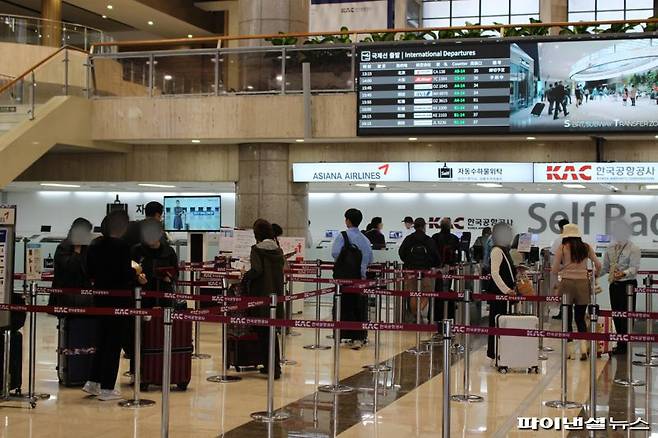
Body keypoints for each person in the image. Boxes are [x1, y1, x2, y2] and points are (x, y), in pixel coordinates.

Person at [83, 210, 135, 401]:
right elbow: (124, 272)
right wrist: (135, 274)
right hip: (118, 298)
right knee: (114, 343)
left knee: (101, 340)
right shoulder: (121, 246)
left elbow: (89, 270)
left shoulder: (95, 243)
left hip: (100, 297)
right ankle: (107, 387)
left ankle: (93, 381)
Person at [241, 219, 285, 379]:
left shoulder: (257, 250)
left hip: (261, 297)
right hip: (275, 296)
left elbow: (257, 270)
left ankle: (271, 367)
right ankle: (273, 366)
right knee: (272, 333)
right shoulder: (278, 250)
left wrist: (245, 277)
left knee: (263, 333)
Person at [551, 224, 601, 361]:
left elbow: (554, 269)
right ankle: (584, 348)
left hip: (566, 283)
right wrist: (595, 276)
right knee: (580, 317)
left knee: (566, 317)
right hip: (583, 284)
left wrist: (557, 283)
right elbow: (598, 265)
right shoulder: (586, 247)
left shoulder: (562, 247)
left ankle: (570, 351)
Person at [331, 208, 373, 348]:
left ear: (348, 220)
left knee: (343, 306)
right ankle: (359, 337)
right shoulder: (365, 239)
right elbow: (370, 259)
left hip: (344, 278)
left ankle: (343, 334)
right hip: (360, 278)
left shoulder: (342, 236)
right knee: (358, 307)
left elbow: (335, 253)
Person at [599, 220, 641, 355]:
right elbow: (605, 267)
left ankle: (626, 343)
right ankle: (620, 342)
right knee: (616, 313)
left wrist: (623, 273)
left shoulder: (633, 248)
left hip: (628, 285)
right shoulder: (610, 248)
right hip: (614, 284)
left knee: (627, 315)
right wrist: (594, 274)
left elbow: (634, 268)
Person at [130, 218, 179, 308]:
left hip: (164, 296)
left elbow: (176, 272)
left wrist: (170, 278)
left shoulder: (169, 251)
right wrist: (137, 278)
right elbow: (131, 271)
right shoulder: (136, 251)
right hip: (142, 296)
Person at [398, 218, 440, 321]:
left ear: (414, 226)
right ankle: (419, 312)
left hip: (411, 270)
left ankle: (415, 315)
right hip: (425, 271)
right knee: (426, 294)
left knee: (412, 294)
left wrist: (408, 262)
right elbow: (436, 256)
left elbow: (401, 252)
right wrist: (431, 264)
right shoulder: (428, 240)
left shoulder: (409, 239)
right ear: (424, 226)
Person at [486, 222, 517, 361]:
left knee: (502, 321)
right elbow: (495, 273)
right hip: (499, 294)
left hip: (504, 293)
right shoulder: (497, 250)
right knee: (497, 321)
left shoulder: (504, 250)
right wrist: (506, 290)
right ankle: (495, 351)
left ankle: (501, 350)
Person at [51, 218, 93, 307]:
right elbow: (70, 269)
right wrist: (77, 250)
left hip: (82, 296)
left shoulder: (85, 247)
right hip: (67, 296)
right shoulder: (64, 247)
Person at [432, 218, 460, 320]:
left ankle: (437, 315)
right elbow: (458, 254)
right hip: (450, 268)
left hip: (437, 269)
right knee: (447, 290)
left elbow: (432, 253)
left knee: (438, 290)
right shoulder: (454, 238)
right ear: (450, 226)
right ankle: (448, 314)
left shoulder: (435, 237)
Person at [551, 219, 570, 320]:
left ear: (561, 228)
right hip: (575, 273)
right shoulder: (576, 240)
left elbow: (553, 255)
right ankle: (567, 313)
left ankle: (563, 313)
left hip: (563, 271)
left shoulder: (559, 240)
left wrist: (555, 270)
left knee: (563, 293)